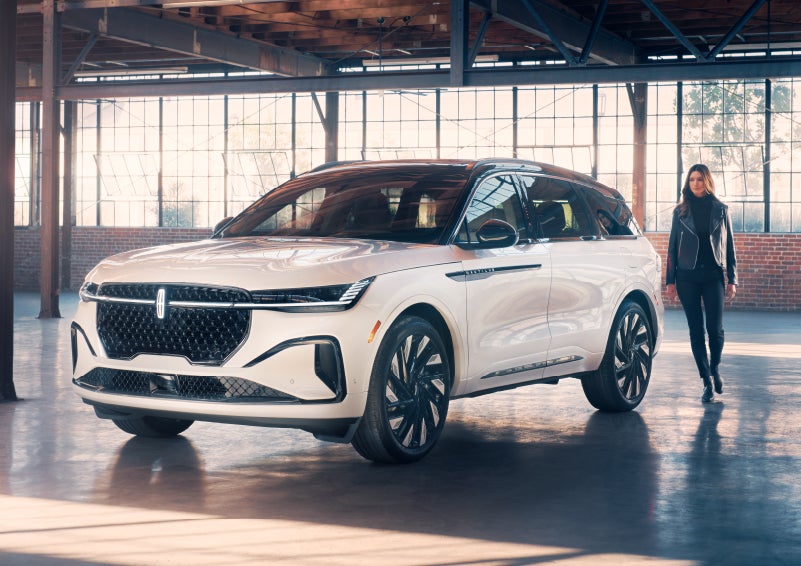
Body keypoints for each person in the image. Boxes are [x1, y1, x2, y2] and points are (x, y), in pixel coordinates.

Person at [665, 164, 738, 403]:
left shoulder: (721, 209)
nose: (695, 183)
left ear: (707, 181)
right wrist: (670, 281)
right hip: (687, 277)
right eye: (692, 179)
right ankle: (706, 380)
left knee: (715, 331)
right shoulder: (680, 212)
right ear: (688, 183)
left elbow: (730, 247)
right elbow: (672, 248)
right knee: (696, 332)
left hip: (714, 275)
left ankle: (714, 367)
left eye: (699, 179)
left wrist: (732, 279)